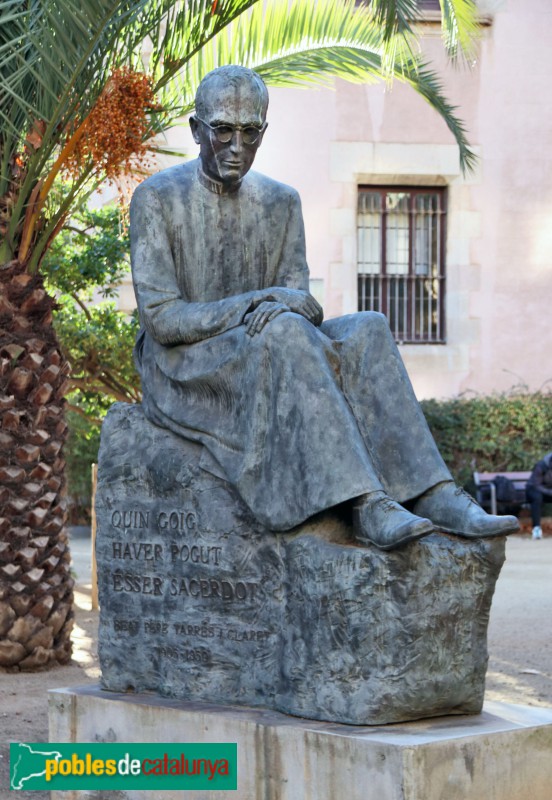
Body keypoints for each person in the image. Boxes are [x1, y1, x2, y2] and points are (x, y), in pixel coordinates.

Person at [129, 65, 519, 551]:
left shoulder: (280, 202)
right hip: (184, 365)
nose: (235, 145)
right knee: (285, 332)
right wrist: (260, 304)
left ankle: (432, 491)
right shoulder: (157, 199)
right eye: (222, 130)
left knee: (369, 327)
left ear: (263, 132)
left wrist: (283, 304)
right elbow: (162, 319)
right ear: (196, 130)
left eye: (250, 132)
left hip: (264, 345)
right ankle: (366, 503)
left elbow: (299, 299)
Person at [526, 452, 552, 539]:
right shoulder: (541, 466)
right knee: (537, 498)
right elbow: (536, 485)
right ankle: (536, 528)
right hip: (533, 490)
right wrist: (549, 492)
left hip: (547, 491)